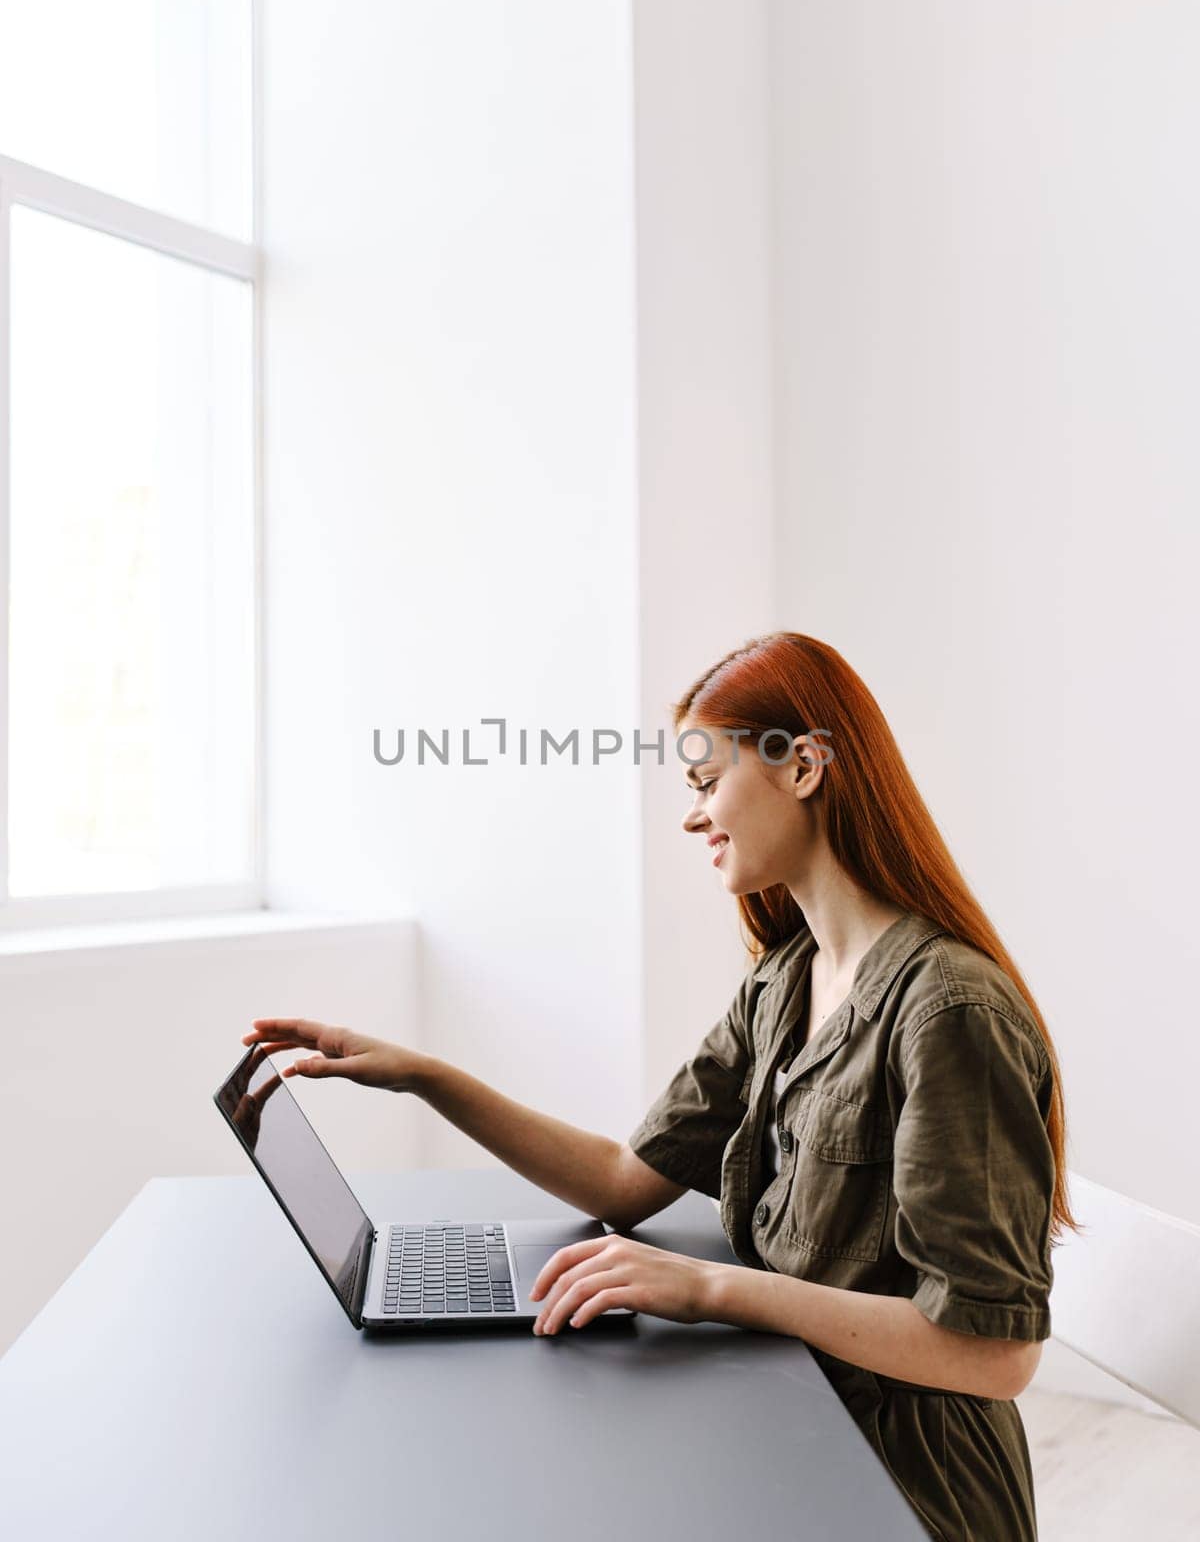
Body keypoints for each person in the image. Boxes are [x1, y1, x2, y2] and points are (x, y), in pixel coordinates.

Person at [244, 630, 1076, 1542]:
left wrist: (708, 1289)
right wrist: (424, 1077)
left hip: (904, 1489)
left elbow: (994, 1356)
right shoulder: (784, 982)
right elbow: (622, 1179)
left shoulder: (948, 1011)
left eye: (704, 783)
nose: (692, 818)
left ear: (803, 766)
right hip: (789, 1421)